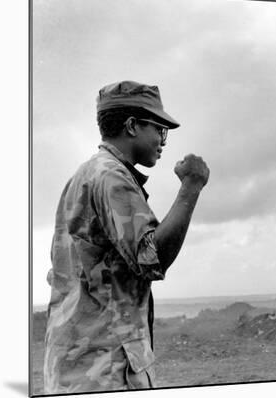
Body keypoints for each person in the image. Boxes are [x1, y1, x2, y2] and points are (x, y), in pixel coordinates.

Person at [43, 81, 210, 394]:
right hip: (105, 369)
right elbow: (151, 259)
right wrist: (191, 186)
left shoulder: (84, 175)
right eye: (159, 128)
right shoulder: (111, 177)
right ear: (132, 126)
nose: (164, 139)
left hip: (76, 365)